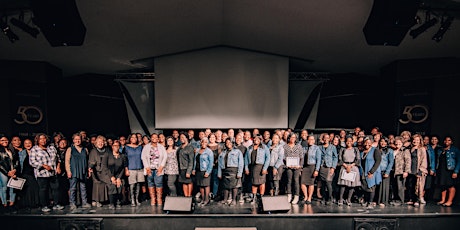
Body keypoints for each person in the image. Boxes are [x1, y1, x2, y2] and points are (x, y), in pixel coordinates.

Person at [29, 133, 64, 212]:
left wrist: (58, 167)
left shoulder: (51, 148)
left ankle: (56, 204)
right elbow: (32, 162)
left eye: (44, 138)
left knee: (56, 188)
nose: (43, 140)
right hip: (42, 174)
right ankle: (44, 205)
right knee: (43, 190)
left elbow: (58, 158)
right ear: (37, 140)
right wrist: (43, 166)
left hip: (53, 173)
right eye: (41, 139)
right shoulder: (34, 149)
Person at [65, 133, 91, 210]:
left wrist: (88, 171)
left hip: (83, 170)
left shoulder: (85, 149)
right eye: (76, 139)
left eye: (79, 139)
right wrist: (68, 171)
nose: (77, 141)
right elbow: (67, 161)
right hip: (74, 171)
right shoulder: (70, 149)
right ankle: (72, 203)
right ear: (73, 140)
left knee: (83, 187)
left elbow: (87, 160)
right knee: (73, 188)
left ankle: (84, 202)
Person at [142, 133, 167, 206]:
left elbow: (165, 157)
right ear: (151, 138)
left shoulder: (161, 147)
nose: (155, 138)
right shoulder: (146, 147)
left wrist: (161, 167)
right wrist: (147, 167)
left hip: (158, 169)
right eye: (153, 137)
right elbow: (143, 157)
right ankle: (153, 199)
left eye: (156, 137)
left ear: (158, 139)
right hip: (149, 169)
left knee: (159, 183)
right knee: (150, 183)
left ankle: (159, 198)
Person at [218, 139, 244, 206]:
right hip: (225, 170)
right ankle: (225, 200)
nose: (228, 144)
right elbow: (219, 164)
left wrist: (239, 173)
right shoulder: (223, 152)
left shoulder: (237, 151)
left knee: (234, 186)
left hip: (234, 170)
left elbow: (241, 163)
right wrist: (219, 173)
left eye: (229, 142)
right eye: (226, 143)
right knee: (225, 186)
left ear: (232, 143)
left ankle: (234, 200)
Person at [244, 135, 270, 204]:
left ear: (260, 140)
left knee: (262, 183)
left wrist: (265, 168)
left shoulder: (264, 147)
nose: (256, 140)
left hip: (261, 167)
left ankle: (261, 198)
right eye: (255, 139)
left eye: (258, 139)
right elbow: (246, 159)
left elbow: (268, 158)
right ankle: (254, 198)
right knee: (254, 183)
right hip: (252, 167)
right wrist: (246, 168)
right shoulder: (249, 148)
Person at [436, 136, 460, 207]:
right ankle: (443, 200)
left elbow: (459, 161)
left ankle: (449, 201)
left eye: (449, 140)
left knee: (450, 185)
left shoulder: (455, 150)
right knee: (442, 185)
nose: (447, 141)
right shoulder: (440, 150)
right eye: (445, 140)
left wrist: (456, 171)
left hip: (450, 170)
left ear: (451, 142)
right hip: (442, 170)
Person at [88, 135, 112, 207]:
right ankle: (96, 200)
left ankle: (104, 200)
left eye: (102, 142)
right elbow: (91, 162)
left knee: (106, 184)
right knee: (97, 185)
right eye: (98, 142)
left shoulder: (107, 150)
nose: (100, 143)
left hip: (105, 171)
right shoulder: (93, 151)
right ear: (96, 143)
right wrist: (90, 168)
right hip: (96, 171)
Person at [17, 138, 39, 209]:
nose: (28, 144)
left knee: (34, 188)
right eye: (26, 143)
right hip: (25, 173)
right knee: (27, 190)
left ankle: (35, 203)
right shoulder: (21, 153)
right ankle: (27, 204)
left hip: (34, 173)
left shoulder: (36, 152)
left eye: (29, 143)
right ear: (23, 145)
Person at [360, 137, 382, 209]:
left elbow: (378, 161)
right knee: (365, 187)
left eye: (369, 142)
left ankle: (370, 202)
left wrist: (372, 171)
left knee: (371, 187)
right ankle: (366, 201)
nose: (367, 144)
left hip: (371, 172)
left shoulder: (375, 151)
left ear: (371, 143)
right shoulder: (362, 152)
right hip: (363, 171)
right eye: (366, 142)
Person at [300, 135, 322, 205]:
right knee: (302, 182)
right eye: (309, 139)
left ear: (314, 141)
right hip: (305, 167)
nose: (310, 141)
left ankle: (309, 197)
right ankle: (305, 196)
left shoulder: (316, 148)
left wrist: (317, 170)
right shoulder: (305, 148)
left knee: (311, 183)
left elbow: (319, 160)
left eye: (312, 139)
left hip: (312, 166)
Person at [283, 132, 304, 204]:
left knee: (296, 181)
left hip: (297, 167)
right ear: (289, 138)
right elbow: (283, 157)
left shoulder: (299, 146)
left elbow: (302, 157)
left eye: (294, 137)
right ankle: (289, 195)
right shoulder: (285, 146)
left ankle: (296, 196)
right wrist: (287, 164)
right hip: (288, 167)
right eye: (291, 137)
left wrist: (300, 166)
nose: (293, 139)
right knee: (289, 181)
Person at [124, 133, 144, 206]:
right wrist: (126, 169)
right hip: (131, 168)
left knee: (139, 185)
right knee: (132, 185)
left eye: (135, 137)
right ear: (130, 138)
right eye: (132, 137)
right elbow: (124, 159)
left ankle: (137, 199)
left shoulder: (140, 147)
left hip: (139, 167)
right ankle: (132, 199)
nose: (134, 139)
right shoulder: (126, 147)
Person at [192, 138, 213, 206]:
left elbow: (211, 163)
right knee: (201, 186)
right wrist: (194, 169)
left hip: (205, 170)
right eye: (203, 142)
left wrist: (208, 172)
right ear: (201, 143)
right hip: (198, 170)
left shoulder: (209, 151)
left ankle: (207, 200)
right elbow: (195, 161)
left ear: (207, 143)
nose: (204, 144)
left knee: (206, 186)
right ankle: (203, 199)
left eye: (206, 142)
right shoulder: (198, 150)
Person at [318, 133, 338, 205]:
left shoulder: (332, 147)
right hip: (322, 166)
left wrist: (333, 167)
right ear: (323, 139)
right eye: (324, 138)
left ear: (329, 139)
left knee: (328, 182)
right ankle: (324, 197)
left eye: (327, 138)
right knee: (323, 183)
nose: (326, 139)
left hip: (329, 167)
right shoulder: (320, 147)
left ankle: (330, 198)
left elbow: (335, 158)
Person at [0, 135, 19, 207]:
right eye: (2, 140)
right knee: (4, 187)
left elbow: (16, 161)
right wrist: (7, 172)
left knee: (13, 186)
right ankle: (4, 202)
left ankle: (12, 201)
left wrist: (14, 169)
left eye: (6, 140)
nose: (4, 141)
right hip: (3, 172)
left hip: (12, 171)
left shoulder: (11, 149)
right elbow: (0, 165)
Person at [391, 136, 411, 206]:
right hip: (393, 171)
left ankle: (400, 200)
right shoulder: (393, 151)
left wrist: (406, 171)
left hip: (401, 171)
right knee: (394, 186)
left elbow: (408, 161)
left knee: (400, 187)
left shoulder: (405, 150)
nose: (398, 144)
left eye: (399, 142)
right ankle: (395, 199)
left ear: (402, 143)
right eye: (396, 143)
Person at [107, 141, 127, 209]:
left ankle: (118, 201)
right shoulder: (108, 155)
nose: (116, 147)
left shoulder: (122, 156)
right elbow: (105, 167)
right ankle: (112, 203)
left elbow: (123, 168)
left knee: (120, 184)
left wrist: (119, 178)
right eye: (115, 145)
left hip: (119, 175)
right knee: (112, 185)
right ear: (112, 146)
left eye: (118, 146)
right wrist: (111, 177)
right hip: (109, 174)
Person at [377, 137, 394, 207]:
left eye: (384, 142)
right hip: (377, 170)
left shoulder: (390, 151)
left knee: (384, 187)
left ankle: (383, 201)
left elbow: (391, 162)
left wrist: (387, 172)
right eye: (381, 141)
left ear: (387, 143)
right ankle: (377, 200)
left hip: (385, 170)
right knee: (378, 186)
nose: (382, 143)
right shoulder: (377, 150)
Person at [177, 133, 195, 197]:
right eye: (181, 138)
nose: (182, 139)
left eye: (183, 137)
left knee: (189, 182)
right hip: (181, 168)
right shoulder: (180, 148)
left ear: (187, 138)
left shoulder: (190, 148)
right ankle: (186, 196)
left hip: (187, 168)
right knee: (184, 182)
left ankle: (189, 197)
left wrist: (189, 171)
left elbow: (191, 161)